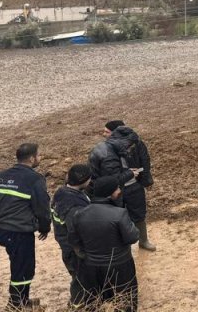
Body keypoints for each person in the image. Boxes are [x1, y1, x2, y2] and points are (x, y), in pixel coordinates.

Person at [0, 143, 50, 311]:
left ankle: (23, 300)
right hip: (19, 232)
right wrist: (44, 227)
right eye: (39, 155)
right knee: (23, 267)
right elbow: (42, 207)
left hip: (1, 231)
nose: (40, 158)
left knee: (20, 263)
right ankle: (16, 304)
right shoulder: (35, 179)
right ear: (32, 158)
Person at [67, 175, 139, 311]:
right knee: (125, 302)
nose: (119, 191)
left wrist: (85, 256)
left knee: (93, 304)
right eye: (117, 189)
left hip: (90, 268)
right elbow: (133, 237)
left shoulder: (79, 214)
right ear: (110, 193)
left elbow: (73, 240)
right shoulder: (120, 214)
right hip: (120, 267)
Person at [89, 121, 156, 252]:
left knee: (139, 214)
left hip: (134, 186)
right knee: (116, 217)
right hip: (114, 190)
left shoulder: (135, 143)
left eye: (107, 132)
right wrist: (129, 173)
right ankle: (121, 247)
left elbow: (145, 161)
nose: (104, 134)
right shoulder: (106, 152)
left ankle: (143, 240)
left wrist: (146, 180)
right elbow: (112, 178)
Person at [51, 164, 93, 307]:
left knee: (78, 276)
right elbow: (75, 232)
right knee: (80, 278)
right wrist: (83, 253)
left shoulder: (62, 192)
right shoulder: (74, 206)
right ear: (84, 181)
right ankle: (77, 305)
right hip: (74, 250)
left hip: (65, 244)